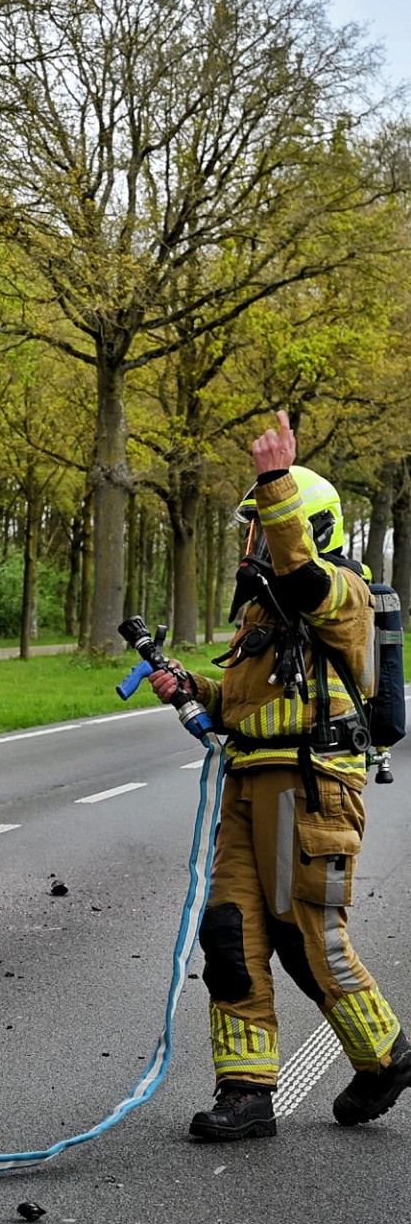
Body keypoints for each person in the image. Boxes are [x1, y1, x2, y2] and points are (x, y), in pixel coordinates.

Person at [153, 411, 408, 1141]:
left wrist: (275, 482)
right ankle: (246, 1092)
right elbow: (244, 705)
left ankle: (386, 1057)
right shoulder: (259, 619)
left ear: (309, 527)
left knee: (308, 938)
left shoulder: (344, 594)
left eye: (266, 529)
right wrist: (192, 689)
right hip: (248, 784)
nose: (255, 545)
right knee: (229, 935)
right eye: (254, 533)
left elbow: (306, 583)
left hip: (313, 784)